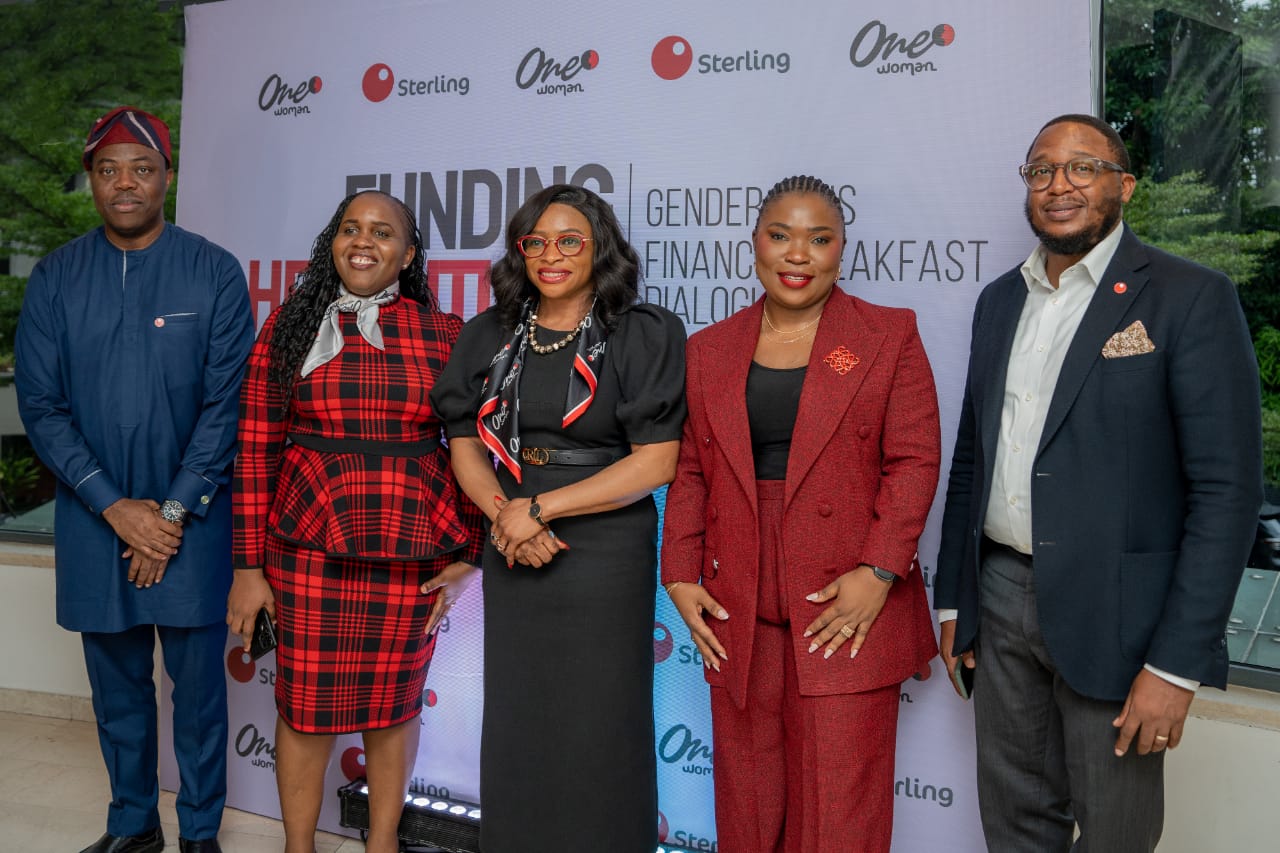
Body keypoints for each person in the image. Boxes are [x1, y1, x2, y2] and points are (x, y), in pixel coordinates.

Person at [935, 114, 1263, 852]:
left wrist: (1176, 664)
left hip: (1122, 618)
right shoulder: (999, 301)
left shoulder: (1189, 296)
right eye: (1042, 170)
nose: (1060, 185)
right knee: (1014, 826)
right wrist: (956, 598)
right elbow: (972, 460)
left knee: (1116, 834)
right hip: (999, 597)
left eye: (1083, 167)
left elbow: (1226, 494)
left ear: (1125, 185)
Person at [661, 175, 941, 853]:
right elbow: (693, 468)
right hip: (739, 601)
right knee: (748, 803)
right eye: (781, 235)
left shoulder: (888, 333)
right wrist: (680, 573)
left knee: (840, 812)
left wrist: (879, 571)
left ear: (842, 250)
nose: (798, 254)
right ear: (754, 243)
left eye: (819, 239)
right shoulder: (709, 348)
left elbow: (914, 460)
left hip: (846, 599)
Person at [15, 106, 255, 853]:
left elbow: (226, 405)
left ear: (167, 178)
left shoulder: (214, 271)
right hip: (95, 520)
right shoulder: (56, 277)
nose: (126, 183)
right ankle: (133, 826)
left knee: (200, 695)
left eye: (142, 169)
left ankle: (201, 834)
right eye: (109, 169)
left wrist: (169, 514)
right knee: (117, 690)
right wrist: (116, 508)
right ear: (91, 180)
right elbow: (41, 407)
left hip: (193, 521)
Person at [225, 190, 484, 853]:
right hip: (307, 554)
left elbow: (475, 449)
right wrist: (248, 568)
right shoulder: (288, 328)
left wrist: (472, 552)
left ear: (409, 253)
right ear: (332, 243)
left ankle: (382, 844)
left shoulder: (447, 334)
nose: (363, 241)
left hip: (411, 559)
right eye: (350, 228)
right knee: (304, 712)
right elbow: (254, 451)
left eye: (382, 231)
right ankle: (299, 847)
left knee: (395, 711)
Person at [429, 183, 686, 852]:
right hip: (512, 543)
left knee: (601, 723)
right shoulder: (489, 333)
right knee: (519, 717)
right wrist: (507, 518)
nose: (551, 254)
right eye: (536, 241)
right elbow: (464, 443)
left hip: (605, 551)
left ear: (601, 250)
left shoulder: (641, 331)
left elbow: (657, 461)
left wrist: (541, 510)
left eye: (570, 241)